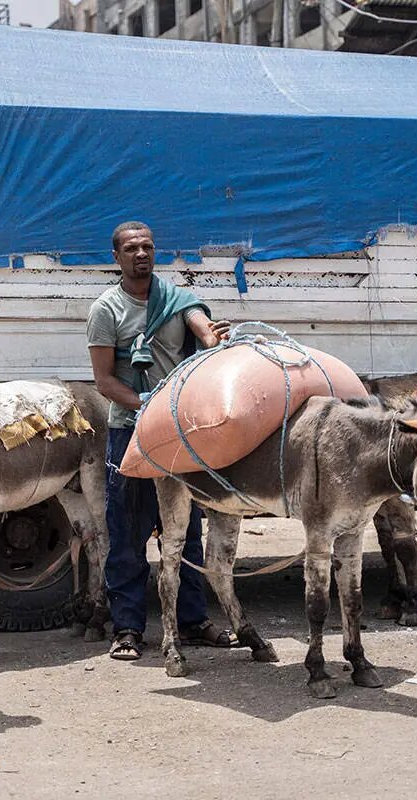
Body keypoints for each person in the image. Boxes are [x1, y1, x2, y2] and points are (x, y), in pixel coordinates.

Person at [87, 220, 238, 661]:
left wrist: (212, 335)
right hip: (129, 430)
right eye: (131, 249)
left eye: (148, 247)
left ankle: (192, 621)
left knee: (186, 530)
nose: (141, 254)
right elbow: (103, 381)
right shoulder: (106, 310)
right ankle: (128, 628)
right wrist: (142, 405)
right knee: (128, 531)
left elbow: (202, 326)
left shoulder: (176, 301)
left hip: (177, 433)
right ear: (116, 258)